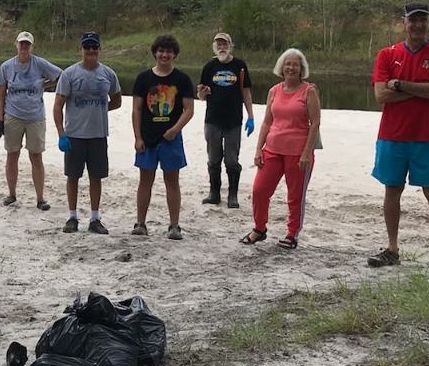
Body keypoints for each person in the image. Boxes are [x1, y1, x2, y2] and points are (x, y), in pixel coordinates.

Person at [367, 3, 429, 271]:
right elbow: (381, 95)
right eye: (412, 20)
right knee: (392, 191)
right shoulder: (387, 54)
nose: (417, 25)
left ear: (428, 23)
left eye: (422, 20)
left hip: (426, 137)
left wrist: (401, 85)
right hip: (392, 136)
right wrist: (422, 89)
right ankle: (392, 248)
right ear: (404, 22)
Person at [241, 48, 321, 249]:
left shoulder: (309, 91)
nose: (291, 67)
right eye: (288, 64)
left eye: (295, 64)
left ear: (301, 68)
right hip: (273, 149)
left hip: (298, 153)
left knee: (294, 196)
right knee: (259, 190)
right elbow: (267, 122)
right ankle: (259, 229)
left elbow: (315, 123)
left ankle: (292, 234)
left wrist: (306, 153)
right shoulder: (274, 90)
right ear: (281, 67)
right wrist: (259, 149)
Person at [52, 32, 122, 234]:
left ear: (99, 49)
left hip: (98, 135)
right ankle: (72, 217)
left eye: (94, 47)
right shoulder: (69, 74)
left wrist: (99, 110)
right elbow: (58, 106)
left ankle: (94, 218)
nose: (90, 51)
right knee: (73, 176)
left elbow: (116, 101)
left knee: (96, 177)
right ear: (81, 49)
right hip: (74, 135)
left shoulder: (108, 74)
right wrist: (61, 134)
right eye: (87, 47)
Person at [131, 34, 196, 240]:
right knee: (145, 181)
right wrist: (137, 137)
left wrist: (175, 130)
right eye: (161, 50)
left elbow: (188, 110)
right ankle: (140, 223)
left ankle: (174, 225)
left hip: (171, 139)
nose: (164, 54)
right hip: (147, 138)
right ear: (155, 53)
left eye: (168, 51)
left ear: (174, 54)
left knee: (172, 182)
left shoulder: (182, 79)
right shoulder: (143, 78)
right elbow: (136, 110)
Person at [0, 31, 63, 210]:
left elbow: (60, 76)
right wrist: (0, 120)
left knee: (36, 156)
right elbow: (1, 93)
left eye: (27, 44)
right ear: (16, 45)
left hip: (35, 117)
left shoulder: (39, 63)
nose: (24, 47)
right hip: (13, 115)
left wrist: (44, 85)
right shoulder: (6, 66)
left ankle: (40, 199)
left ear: (32, 46)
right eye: (21, 44)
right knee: (12, 154)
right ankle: (12, 194)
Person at [196, 32, 254, 208]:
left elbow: (246, 92)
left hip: (233, 121)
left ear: (230, 45)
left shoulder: (240, 66)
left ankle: (232, 195)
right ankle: (214, 193)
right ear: (214, 47)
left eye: (224, 44)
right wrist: (201, 93)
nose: (222, 47)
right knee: (213, 158)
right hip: (212, 120)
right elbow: (201, 95)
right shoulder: (209, 67)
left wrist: (251, 116)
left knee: (231, 160)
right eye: (218, 44)